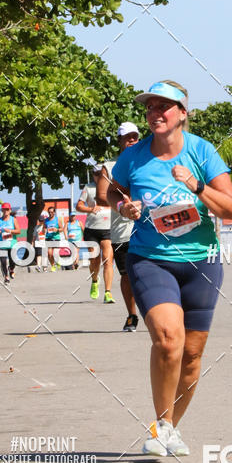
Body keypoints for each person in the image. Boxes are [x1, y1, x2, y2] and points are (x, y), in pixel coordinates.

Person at [107, 80, 232, 456]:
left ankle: (170, 427)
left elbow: (229, 209)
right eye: (149, 108)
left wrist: (196, 185)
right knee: (167, 340)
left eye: (164, 107)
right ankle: (160, 425)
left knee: (192, 356)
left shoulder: (202, 152)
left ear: (182, 113)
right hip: (150, 257)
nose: (155, 113)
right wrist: (123, 206)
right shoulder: (134, 156)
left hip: (201, 262)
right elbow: (112, 190)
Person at [97, 122, 141, 330]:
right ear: (120, 141)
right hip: (122, 230)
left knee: (149, 273)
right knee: (127, 274)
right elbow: (101, 195)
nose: (132, 140)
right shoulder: (111, 165)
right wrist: (124, 204)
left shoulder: (147, 162)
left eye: (135, 136)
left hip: (148, 227)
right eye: (127, 137)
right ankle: (132, 314)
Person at [77, 166, 114, 302]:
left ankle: (108, 292)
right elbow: (78, 206)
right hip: (92, 228)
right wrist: (90, 209)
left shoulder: (111, 186)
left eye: (100, 173)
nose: (98, 175)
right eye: (95, 173)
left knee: (108, 259)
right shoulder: (88, 188)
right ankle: (94, 280)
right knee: (94, 259)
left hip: (108, 228)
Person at [0, 203, 20, 283]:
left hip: (12, 244)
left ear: (10, 210)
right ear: (2, 210)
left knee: (12, 260)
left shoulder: (13, 220)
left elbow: (18, 231)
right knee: (3, 261)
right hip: (2, 244)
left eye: (7, 209)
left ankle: (11, 269)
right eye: (4, 209)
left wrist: (10, 231)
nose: (6, 211)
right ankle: (6, 277)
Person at [43, 205, 62, 271]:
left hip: (56, 237)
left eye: (51, 212)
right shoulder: (46, 220)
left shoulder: (57, 219)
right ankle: (53, 265)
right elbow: (44, 228)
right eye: (49, 212)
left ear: (54, 212)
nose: (50, 213)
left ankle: (58, 262)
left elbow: (61, 228)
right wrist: (44, 230)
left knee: (55, 253)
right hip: (48, 237)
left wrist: (56, 230)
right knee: (50, 253)